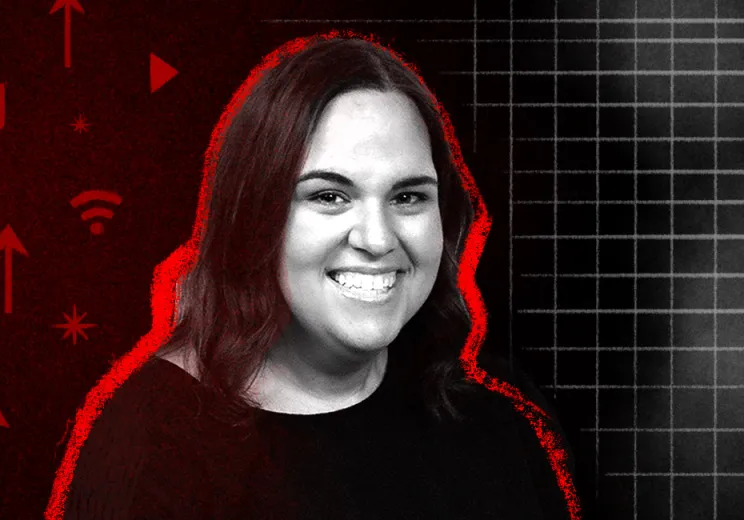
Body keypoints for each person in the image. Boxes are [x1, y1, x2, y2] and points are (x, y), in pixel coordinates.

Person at [53, 31, 582, 520]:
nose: (377, 239)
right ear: (254, 216)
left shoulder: (495, 425)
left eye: (407, 196)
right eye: (329, 196)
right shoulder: (152, 447)